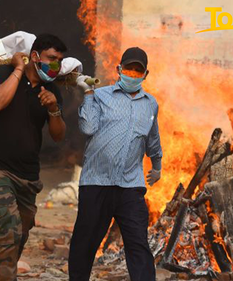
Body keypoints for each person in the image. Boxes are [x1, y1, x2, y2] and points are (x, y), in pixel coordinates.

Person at [0, 34, 67, 281]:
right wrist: (18, 68)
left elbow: (58, 135)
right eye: (51, 58)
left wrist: (53, 109)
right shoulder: (5, 72)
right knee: (10, 227)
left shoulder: (52, 90)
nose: (55, 65)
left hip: (28, 175)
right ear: (35, 56)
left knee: (22, 231)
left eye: (60, 60)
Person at [69, 47, 162, 281]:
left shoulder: (150, 104)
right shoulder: (100, 96)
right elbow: (87, 128)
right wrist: (88, 93)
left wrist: (157, 165)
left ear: (145, 74)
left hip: (130, 186)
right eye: (128, 68)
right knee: (86, 242)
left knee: (138, 243)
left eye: (137, 71)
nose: (132, 74)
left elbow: (152, 139)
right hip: (96, 182)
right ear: (119, 69)